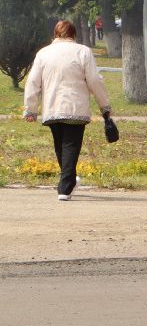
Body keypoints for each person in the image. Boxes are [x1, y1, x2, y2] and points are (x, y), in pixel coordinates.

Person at [22, 20, 112, 201]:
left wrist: (30, 109)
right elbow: (94, 80)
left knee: (60, 146)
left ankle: (69, 180)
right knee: (71, 146)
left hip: (52, 108)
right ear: (74, 34)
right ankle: (65, 187)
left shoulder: (43, 53)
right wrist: (104, 106)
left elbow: (33, 82)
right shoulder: (83, 52)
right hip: (75, 108)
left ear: (55, 34)